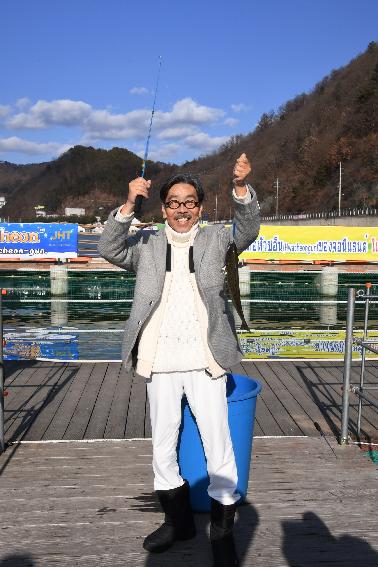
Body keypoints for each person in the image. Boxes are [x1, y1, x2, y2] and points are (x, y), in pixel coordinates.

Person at [98, 153, 260, 567]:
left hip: (206, 359)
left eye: (189, 202)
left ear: (200, 208)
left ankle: (222, 532)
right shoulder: (146, 243)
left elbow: (249, 228)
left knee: (219, 446)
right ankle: (178, 522)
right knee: (163, 446)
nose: (181, 209)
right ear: (164, 207)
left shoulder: (217, 239)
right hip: (159, 359)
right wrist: (129, 204)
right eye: (173, 202)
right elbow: (108, 246)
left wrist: (241, 188)